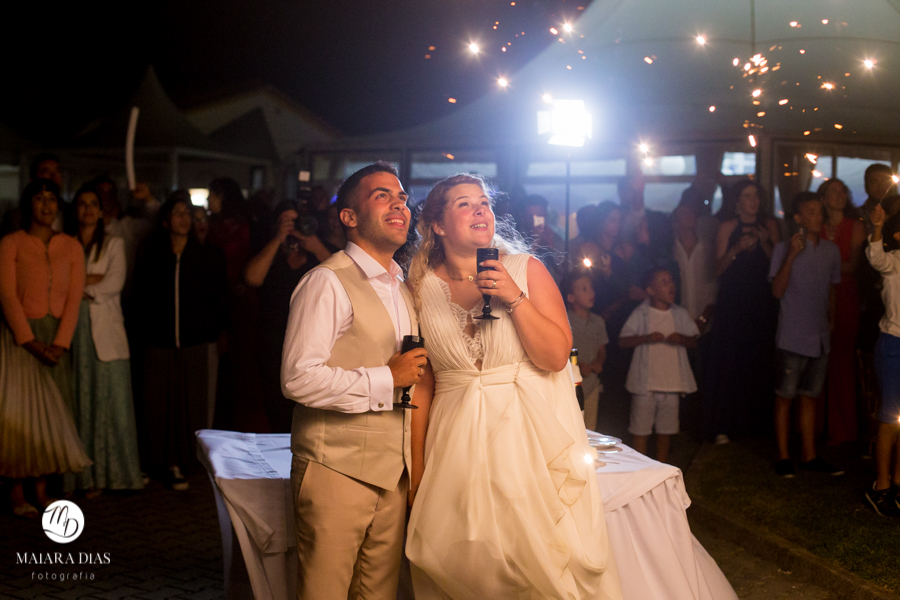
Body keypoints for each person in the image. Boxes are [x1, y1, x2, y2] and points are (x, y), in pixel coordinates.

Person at [405, 174, 622, 599]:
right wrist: (417, 472)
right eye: (464, 204)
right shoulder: (418, 288)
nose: (480, 210)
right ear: (438, 225)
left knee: (535, 564)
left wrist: (514, 296)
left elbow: (555, 357)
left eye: (484, 202)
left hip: (526, 442)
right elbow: (423, 386)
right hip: (453, 445)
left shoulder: (526, 269)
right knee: (464, 566)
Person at [281, 162, 426, 599]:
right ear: (349, 216)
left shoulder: (403, 286)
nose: (399, 204)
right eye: (382, 196)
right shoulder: (326, 281)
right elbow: (297, 378)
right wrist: (387, 378)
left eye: (402, 197)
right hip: (336, 469)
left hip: (392, 474)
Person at [0, 179, 90, 517]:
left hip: (56, 337)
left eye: (52, 199)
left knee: (53, 415)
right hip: (20, 336)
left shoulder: (71, 246)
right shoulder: (11, 243)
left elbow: (73, 299)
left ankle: (42, 489)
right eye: (39, 198)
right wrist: (29, 340)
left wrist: (60, 344)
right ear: (28, 205)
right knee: (21, 413)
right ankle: (16, 490)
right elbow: (7, 295)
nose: (47, 205)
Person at [132, 192, 229, 490]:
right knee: (157, 404)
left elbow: (219, 299)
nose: (185, 219)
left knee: (190, 403)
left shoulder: (208, 257)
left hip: (194, 341)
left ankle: (182, 461)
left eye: (189, 214)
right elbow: (139, 298)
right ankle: (156, 460)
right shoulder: (152, 255)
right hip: (158, 342)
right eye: (178, 213)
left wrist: (210, 331)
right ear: (165, 221)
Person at [63, 183, 143, 495]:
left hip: (106, 332)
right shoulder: (65, 243)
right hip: (72, 328)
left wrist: (77, 285)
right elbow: (57, 283)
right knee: (78, 401)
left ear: (100, 211)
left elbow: (114, 283)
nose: (87, 209)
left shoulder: (113, 244)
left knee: (111, 403)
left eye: (93, 204)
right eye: (82, 203)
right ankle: (81, 475)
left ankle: (113, 474)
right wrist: (88, 281)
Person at [769, 193, 843, 477]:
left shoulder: (831, 250)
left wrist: (831, 321)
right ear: (798, 218)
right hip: (792, 335)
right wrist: (791, 255)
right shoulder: (782, 248)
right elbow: (777, 291)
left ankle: (809, 455)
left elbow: (832, 287)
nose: (818, 216)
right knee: (785, 396)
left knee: (809, 396)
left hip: (819, 335)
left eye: (819, 211)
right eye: (810, 211)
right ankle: (784, 456)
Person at [702, 180, 781, 443]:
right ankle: (724, 425)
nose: (753, 201)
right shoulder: (727, 227)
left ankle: (757, 426)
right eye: (747, 196)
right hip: (733, 303)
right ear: (737, 202)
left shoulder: (769, 225)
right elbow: (717, 270)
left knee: (759, 359)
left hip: (761, 302)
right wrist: (736, 249)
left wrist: (765, 243)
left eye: (756, 195)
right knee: (730, 360)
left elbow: (779, 266)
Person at [245, 200, 333, 432]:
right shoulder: (269, 252)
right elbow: (252, 278)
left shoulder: (319, 253)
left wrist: (316, 246)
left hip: (313, 344)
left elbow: (348, 279)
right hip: (273, 343)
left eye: (297, 221)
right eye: (286, 221)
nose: (293, 227)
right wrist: (278, 239)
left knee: (308, 412)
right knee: (276, 408)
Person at [619, 267, 699, 463]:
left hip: (672, 384)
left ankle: (661, 469)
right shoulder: (641, 313)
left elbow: (694, 340)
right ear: (651, 290)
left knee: (666, 432)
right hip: (645, 385)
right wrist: (646, 338)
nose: (671, 285)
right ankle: (640, 470)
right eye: (664, 282)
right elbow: (623, 340)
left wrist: (681, 338)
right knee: (640, 431)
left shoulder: (679, 314)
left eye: (671, 281)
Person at [818, 178, 866, 444]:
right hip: (818, 296)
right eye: (833, 191)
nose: (839, 195)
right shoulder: (817, 225)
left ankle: (843, 428)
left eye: (842, 191)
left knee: (842, 361)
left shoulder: (855, 226)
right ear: (823, 198)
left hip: (845, 296)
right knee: (816, 360)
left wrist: (823, 266)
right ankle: (817, 426)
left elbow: (854, 265)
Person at [864, 203, 900, 516]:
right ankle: (881, 485)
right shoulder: (893, 262)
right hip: (892, 345)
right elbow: (875, 257)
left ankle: (898, 482)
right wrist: (877, 227)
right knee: (890, 417)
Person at [566, 271, 609, 431]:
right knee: (572, 427)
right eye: (584, 289)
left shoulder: (598, 321)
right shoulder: (565, 320)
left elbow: (601, 349)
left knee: (590, 428)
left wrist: (599, 362)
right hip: (570, 385)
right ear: (571, 297)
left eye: (591, 288)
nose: (591, 292)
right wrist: (576, 366)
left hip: (592, 384)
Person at [672, 203, 717, 327]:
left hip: (706, 326)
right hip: (678, 327)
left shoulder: (708, 251)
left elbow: (714, 290)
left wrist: (703, 320)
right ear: (675, 223)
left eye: (692, 213)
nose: (690, 216)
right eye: (684, 213)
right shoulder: (671, 253)